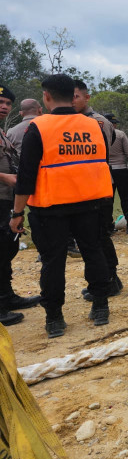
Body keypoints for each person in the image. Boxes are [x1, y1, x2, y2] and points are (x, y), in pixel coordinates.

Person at [10, 74, 113, 337]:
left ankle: (54, 318)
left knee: (53, 261)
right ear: (73, 95)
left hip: (51, 207)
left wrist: (17, 212)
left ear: (46, 96)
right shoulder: (94, 125)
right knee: (93, 251)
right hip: (91, 203)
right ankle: (101, 306)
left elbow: (26, 176)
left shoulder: (39, 127)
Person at [73, 80, 122, 300]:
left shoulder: (98, 122)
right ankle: (103, 279)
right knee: (88, 236)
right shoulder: (70, 121)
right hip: (80, 188)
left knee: (100, 234)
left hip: (98, 186)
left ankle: (110, 279)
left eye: (75, 96)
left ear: (86, 97)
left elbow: (101, 152)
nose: (72, 101)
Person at [0, 83, 40, 326]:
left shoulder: (3, 132)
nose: (4, 107)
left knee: (6, 248)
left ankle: (6, 296)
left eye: (7, 104)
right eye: (0, 103)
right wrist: (4, 177)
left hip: (6, 198)